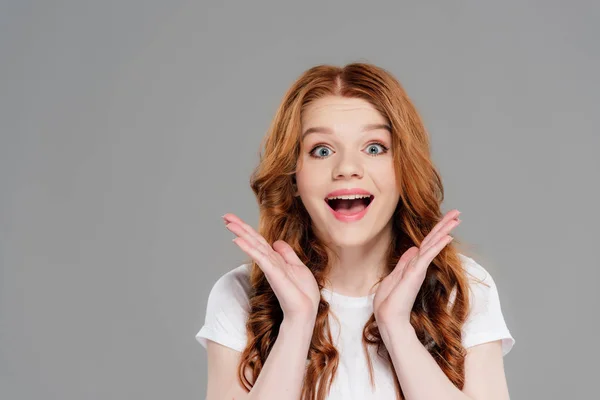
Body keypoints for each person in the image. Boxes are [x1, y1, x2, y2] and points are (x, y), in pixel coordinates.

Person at [195, 62, 515, 400]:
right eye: (321, 150)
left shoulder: (461, 288)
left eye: (374, 147)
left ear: (403, 169)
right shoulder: (240, 295)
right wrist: (297, 322)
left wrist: (396, 328)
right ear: (294, 177)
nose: (347, 168)